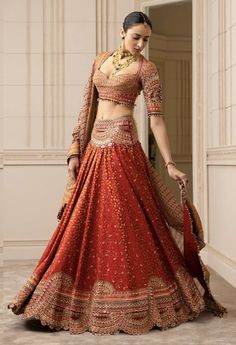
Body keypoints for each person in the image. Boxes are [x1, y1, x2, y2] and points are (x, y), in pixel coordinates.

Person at [8, 11, 227, 335]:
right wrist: (74, 151)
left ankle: (142, 299)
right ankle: (73, 299)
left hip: (124, 147)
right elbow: (87, 107)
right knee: (85, 221)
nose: (141, 44)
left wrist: (169, 163)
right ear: (122, 33)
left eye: (146, 39)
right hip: (95, 148)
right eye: (136, 36)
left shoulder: (147, 69)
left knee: (128, 222)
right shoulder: (101, 60)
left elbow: (156, 120)